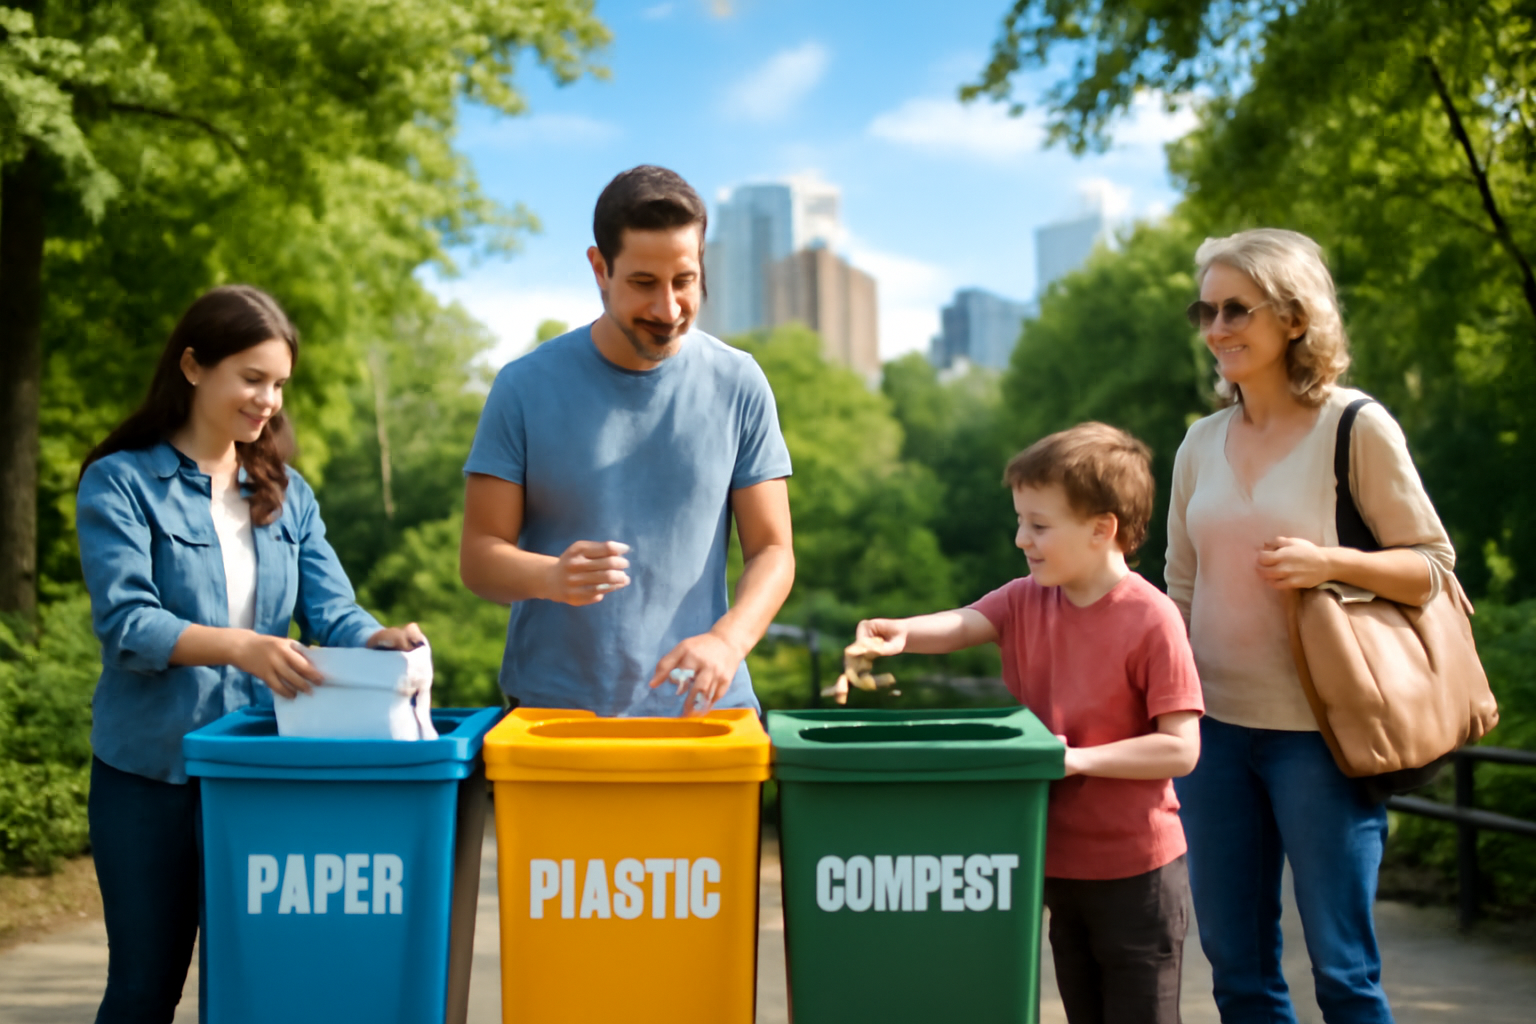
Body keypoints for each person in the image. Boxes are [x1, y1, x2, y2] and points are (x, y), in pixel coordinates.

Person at [75, 285, 424, 1022]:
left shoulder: (287, 493)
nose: (268, 400)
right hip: (148, 778)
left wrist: (376, 638)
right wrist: (244, 647)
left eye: (278, 385)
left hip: (261, 772)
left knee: (263, 983)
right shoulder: (121, 482)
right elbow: (128, 623)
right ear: (194, 366)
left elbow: (332, 610)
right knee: (144, 989)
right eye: (252, 377)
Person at [1166, 228, 1456, 1023]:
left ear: (1294, 317)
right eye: (1205, 309)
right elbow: (1180, 588)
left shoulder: (1355, 427)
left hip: (1324, 737)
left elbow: (1432, 565)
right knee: (1239, 971)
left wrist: (1333, 563)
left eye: (1236, 308)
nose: (1216, 327)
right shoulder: (1199, 442)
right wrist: (1169, 713)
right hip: (1214, 739)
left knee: (1343, 971)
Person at [851, 423, 1205, 1024]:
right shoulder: (1028, 597)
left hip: (1137, 873)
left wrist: (1076, 759)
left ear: (1102, 529)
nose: (1022, 539)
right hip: (1058, 865)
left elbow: (1180, 749)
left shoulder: (1153, 620)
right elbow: (966, 622)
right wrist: (902, 633)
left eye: (1039, 526)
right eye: (1020, 521)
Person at [459, 165, 795, 717]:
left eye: (684, 281)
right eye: (643, 283)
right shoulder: (522, 387)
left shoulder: (740, 383)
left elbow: (773, 550)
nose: (668, 310)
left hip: (705, 711)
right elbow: (479, 558)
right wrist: (549, 576)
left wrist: (729, 640)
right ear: (599, 268)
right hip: (556, 714)